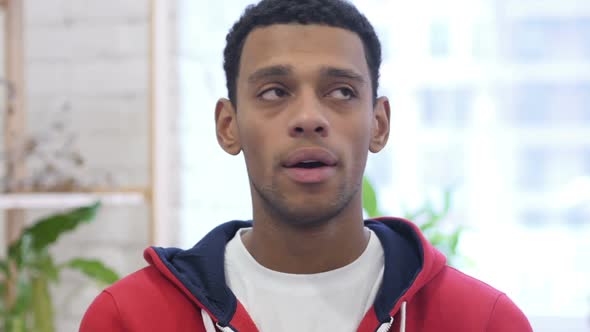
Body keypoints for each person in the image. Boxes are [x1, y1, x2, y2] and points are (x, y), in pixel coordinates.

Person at [80, 0, 533, 331]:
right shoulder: (128, 318)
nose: (309, 119)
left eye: (340, 92)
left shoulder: (484, 321)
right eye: (275, 91)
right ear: (228, 126)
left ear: (378, 124)